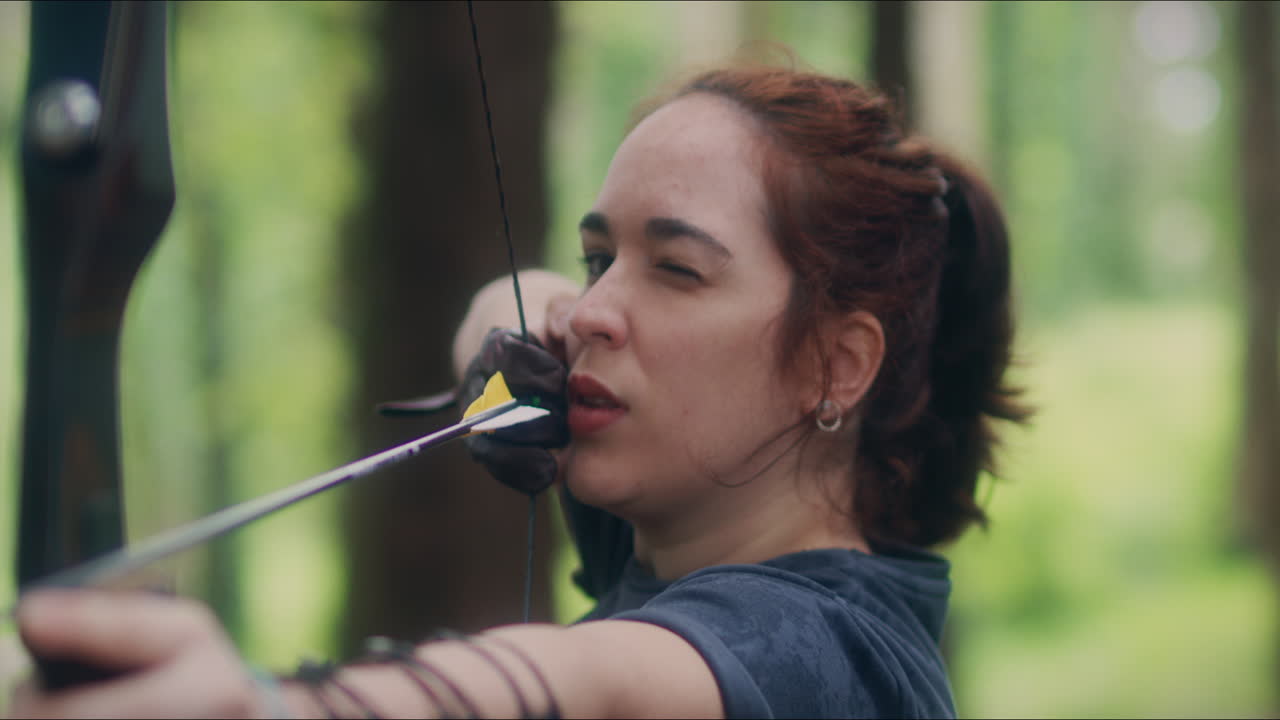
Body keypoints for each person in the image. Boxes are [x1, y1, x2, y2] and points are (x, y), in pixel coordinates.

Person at [7, 62, 1028, 719]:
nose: (590, 311)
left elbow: (584, 686)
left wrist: (260, 708)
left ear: (832, 365)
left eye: (675, 268)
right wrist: (510, 333)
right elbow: (515, 296)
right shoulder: (685, 527)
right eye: (596, 260)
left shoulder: (825, 657)